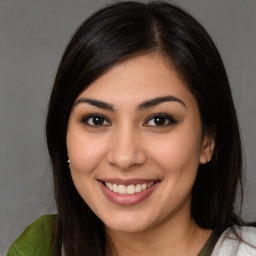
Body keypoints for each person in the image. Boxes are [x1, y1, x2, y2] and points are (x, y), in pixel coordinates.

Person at [6, 1, 256, 256]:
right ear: (64, 136)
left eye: (159, 120)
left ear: (207, 140)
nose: (125, 157)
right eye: (96, 120)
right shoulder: (42, 248)